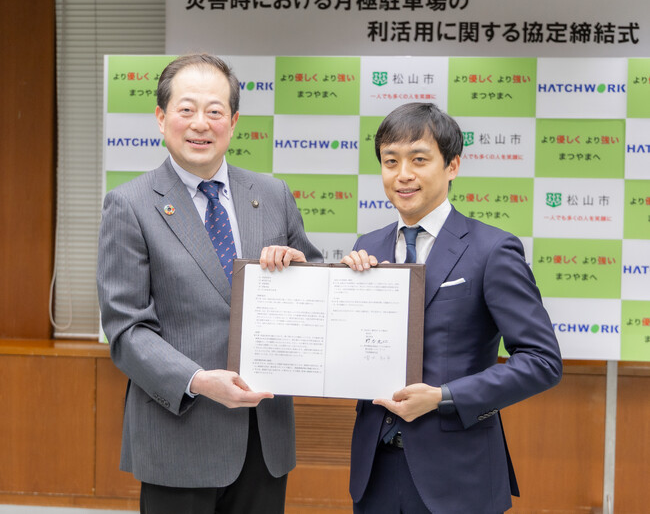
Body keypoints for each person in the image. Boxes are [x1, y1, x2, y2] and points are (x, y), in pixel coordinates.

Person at [96, 53, 322, 514]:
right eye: (186, 109)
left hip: (264, 438)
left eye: (215, 111)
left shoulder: (272, 194)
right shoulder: (129, 204)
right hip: (178, 434)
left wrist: (302, 272)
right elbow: (126, 329)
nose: (201, 123)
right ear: (161, 118)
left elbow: (317, 290)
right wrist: (197, 381)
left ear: (233, 122)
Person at [341, 102, 563, 514]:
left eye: (419, 159)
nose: (403, 174)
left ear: (452, 166)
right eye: (390, 161)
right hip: (376, 473)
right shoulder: (366, 248)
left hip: (459, 476)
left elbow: (542, 361)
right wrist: (337, 294)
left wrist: (444, 397)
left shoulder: (492, 249)